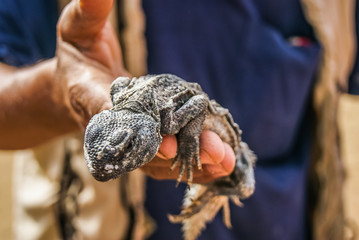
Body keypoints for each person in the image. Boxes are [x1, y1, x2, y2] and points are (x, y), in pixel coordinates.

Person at [1, 0, 358, 239]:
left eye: (123, 147)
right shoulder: (134, 111)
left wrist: (188, 146)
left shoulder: (164, 118)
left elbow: (196, 104)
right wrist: (63, 93)